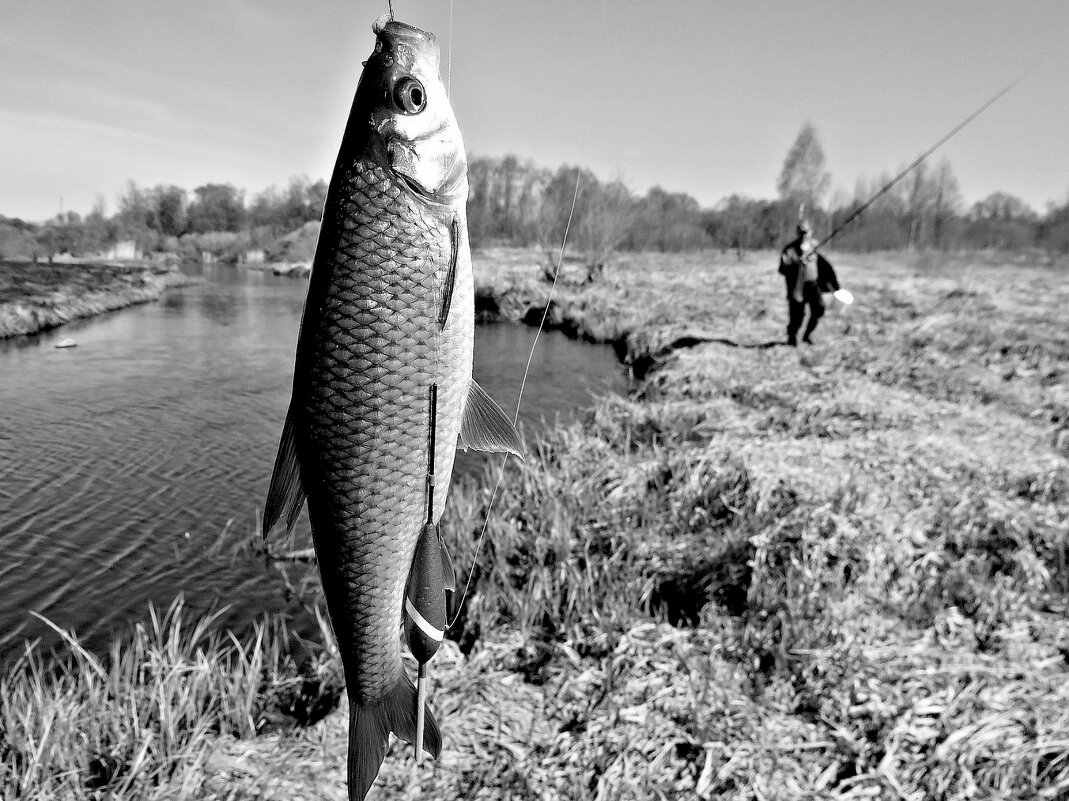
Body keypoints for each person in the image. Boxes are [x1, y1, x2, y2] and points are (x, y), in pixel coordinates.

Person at [778, 220, 840, 346]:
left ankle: (807, 335)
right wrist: (796, 264)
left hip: (813, 285)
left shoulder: (815, 246)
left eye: (806, 231)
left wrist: (832, 284)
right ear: (797, 233)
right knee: (797, 316)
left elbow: (824, 266)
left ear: (811, 232)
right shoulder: (789, 250)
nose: (804, 234)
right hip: (797, 288)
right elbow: (782, 269)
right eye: (801, 232)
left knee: (819, 309)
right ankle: (792, 337)